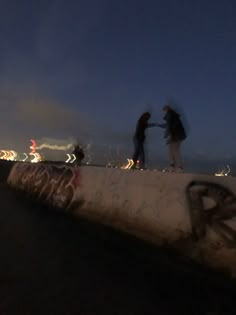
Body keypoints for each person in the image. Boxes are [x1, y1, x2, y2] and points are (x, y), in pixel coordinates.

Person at [158, 105, 186, 172]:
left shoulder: (170, 115)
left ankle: (178, 167)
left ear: (167, 110)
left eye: (164, 111)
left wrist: (166, 135)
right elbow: (168, 125)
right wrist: (159, 125)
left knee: (174, 150)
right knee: (172, 150)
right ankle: (173, 166)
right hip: (178, 135)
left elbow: (169, 126)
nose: (164, 113)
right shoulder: (173, 115)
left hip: (177, 135)